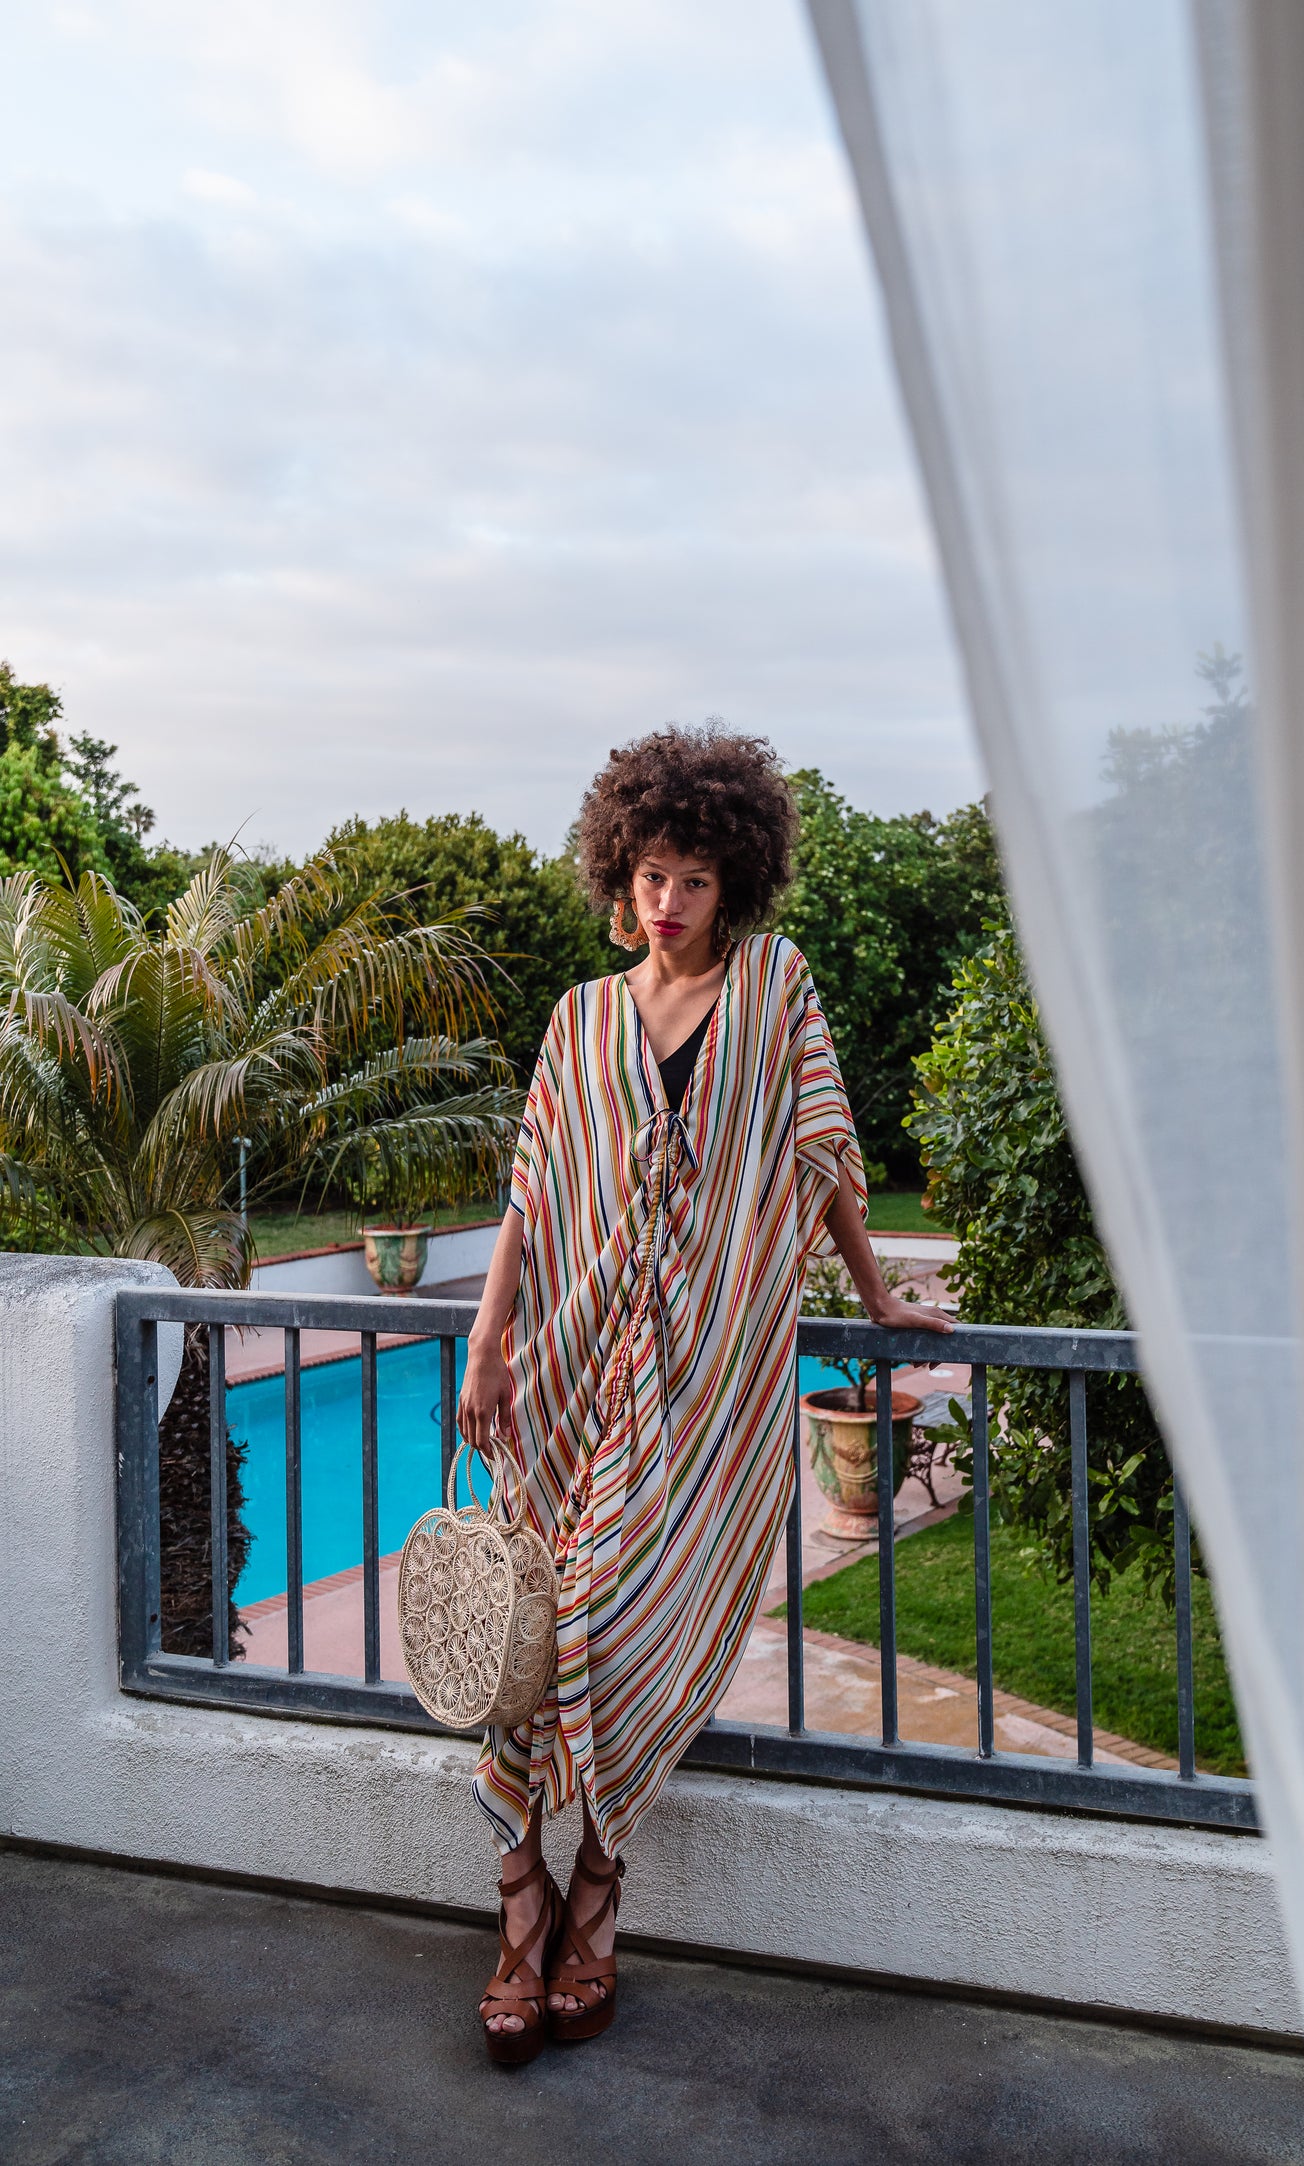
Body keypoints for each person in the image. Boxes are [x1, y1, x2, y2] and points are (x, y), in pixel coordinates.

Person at [457, 725, 952, 2063]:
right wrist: (490, 1338)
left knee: (607, 1629)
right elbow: (530, 1189)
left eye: (691, 876)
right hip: (571, 1362)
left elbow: (823, 1151)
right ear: (617, 873)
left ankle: (597, 1888)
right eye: (648, 875)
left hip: (706, 1369)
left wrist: (873, 1293)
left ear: (730, 879)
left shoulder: (774, 985)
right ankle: (524, 1903)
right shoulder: (581, 1014)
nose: (666, 900)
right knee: (515, 1641)